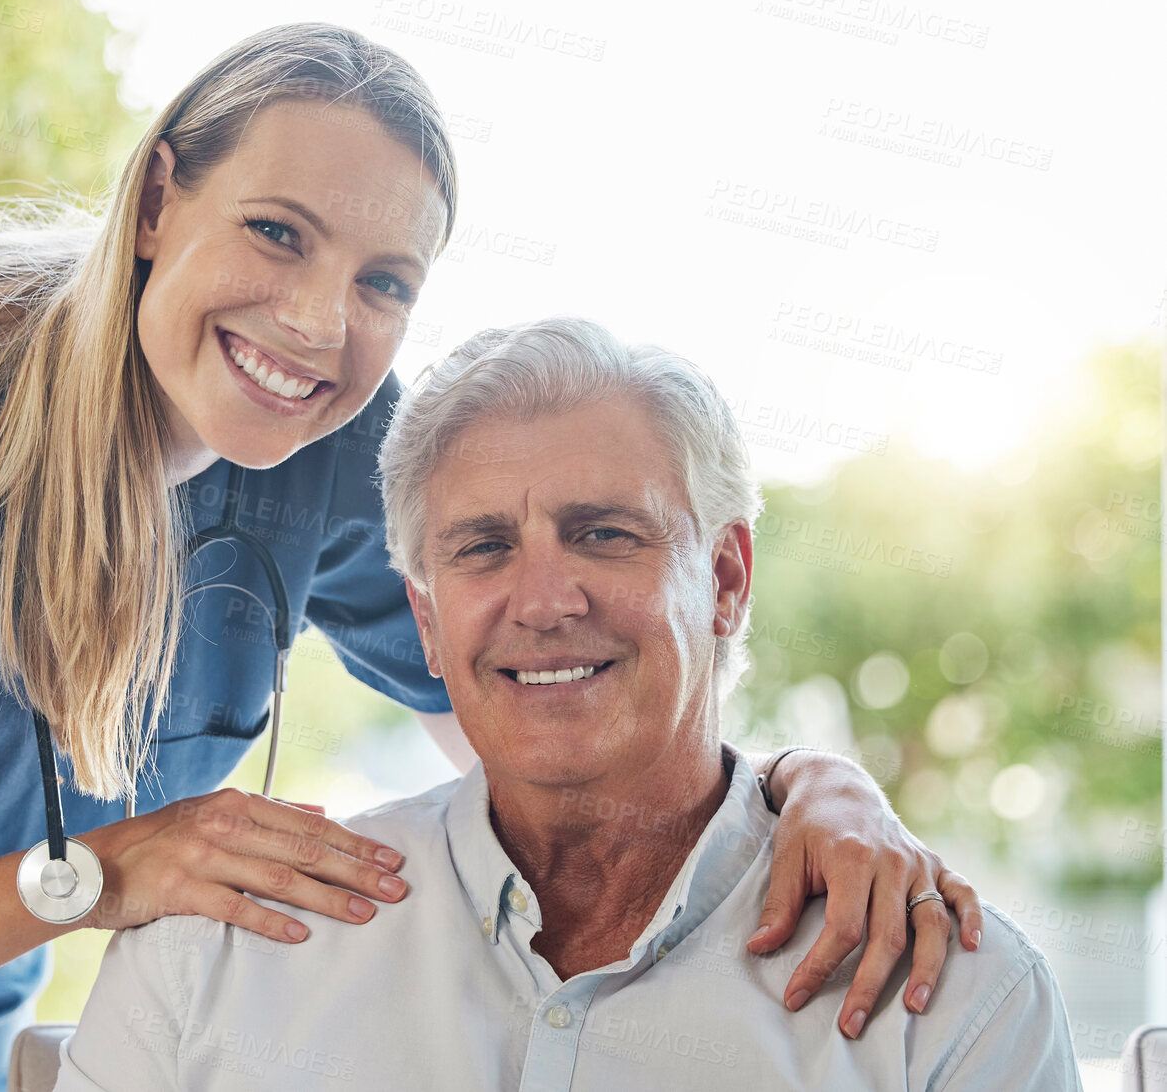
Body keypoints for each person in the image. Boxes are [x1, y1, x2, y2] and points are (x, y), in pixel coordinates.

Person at [0, 26, 979, 1090]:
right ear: (159, 195)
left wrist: (809, 793)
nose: (318, 326)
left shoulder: (331, 458)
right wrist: (107, 872)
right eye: (277, 235)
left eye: (383, 280)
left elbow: (565, 720)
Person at [53, 316, 1080, 1092]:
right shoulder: (214, 955)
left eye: (602, 535)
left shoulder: (949, 1000)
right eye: (482, 547)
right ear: (423, 618)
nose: (544, 602)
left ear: (724, 579)